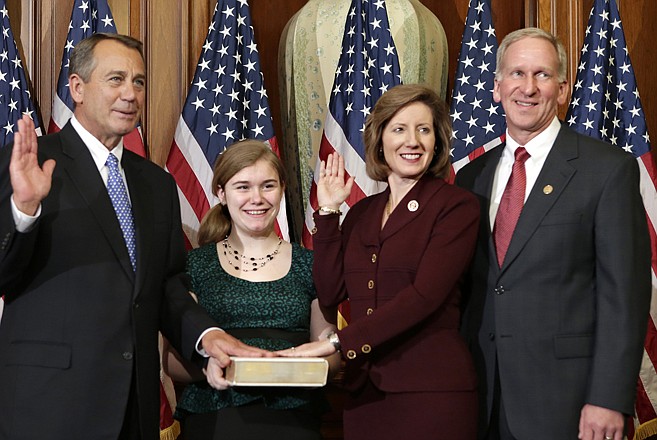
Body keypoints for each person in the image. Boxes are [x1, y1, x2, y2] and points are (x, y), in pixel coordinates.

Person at [0, 33, 269, 440]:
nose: (130, 93)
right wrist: (24, 210)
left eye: (139, 82)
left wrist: (205, 334)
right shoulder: (30, 161)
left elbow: (166, 286)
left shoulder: (156, 184)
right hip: (50, 404)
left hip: (134, 405)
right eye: (116, 79)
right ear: (77, 88)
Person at [455, 27, 651, 440]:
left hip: (567, 401)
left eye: (542, 75)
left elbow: (624, 296)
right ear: (496, 87)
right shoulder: (472, 176)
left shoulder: (607, 169)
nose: (528, 88)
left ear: (562, 90)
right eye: (516, 74)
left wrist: (609, 397)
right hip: (481, 393)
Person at [278, 84, 481, 439]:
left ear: (437, 142)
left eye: (424, 129)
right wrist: (328, 214)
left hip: (431, 392)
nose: (412, 141)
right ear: (380, 138)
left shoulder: (456, 206)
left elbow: (424, 296)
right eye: (399, 129)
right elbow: (329, 293)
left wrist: (340, 343)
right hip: (365, 394)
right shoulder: (362, 213)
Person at [163, 140, 340, 440]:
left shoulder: (311, 264)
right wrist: (224, 366)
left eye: (267, 185)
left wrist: (286, 366)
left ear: (283, 189)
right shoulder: (193, 265)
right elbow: (170, 361)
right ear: (221, 193)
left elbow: (330, 352)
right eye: (242, 187)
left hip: (293, 420)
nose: (256, 198)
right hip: (215, 417)